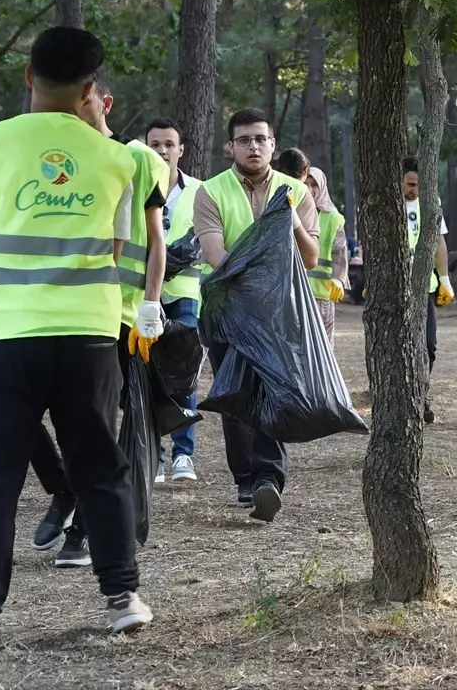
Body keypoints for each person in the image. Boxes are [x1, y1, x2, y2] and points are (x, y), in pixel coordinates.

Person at [0, 26, 153, 654]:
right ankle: (123, 598)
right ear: (90, 91)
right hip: (89, 337)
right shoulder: (118, 160)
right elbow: (115, 245)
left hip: (5, 334)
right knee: (101, 466)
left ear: (28, 76)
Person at [27, 73, 168, 568]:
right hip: (57, 309)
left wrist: (151, 304)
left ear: (103, 102)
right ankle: (64, 490)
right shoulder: (57, 161)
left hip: (118, 313)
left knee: (95, 425)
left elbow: (155, 241)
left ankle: (81, 533)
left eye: (82, 100)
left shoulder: (136, 158)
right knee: (24, 415)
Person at [194, 108, 319, 523]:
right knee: (234, 395)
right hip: (227, 311)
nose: (253, 146)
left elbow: (311, 256)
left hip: (279, 313)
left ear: (272, 145)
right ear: (230, 146)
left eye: (260, 139)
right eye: (244, 140)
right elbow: (215, 254)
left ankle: (268, 478)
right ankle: (245, 477)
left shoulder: (295, 192)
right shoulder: (211, 192)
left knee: (272, 388)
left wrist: (288, 218)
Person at [148, 116, 204, 483]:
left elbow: (208, 234)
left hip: (184, 292)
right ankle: (154, 453)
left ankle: (184, 454)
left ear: (181, 149)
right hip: (146, 292)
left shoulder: (200, 190)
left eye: (169, 144)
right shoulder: (135, 186)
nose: (163, 151)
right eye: (156, 145)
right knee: (148, 372)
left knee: (185, 373)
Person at [402, 157, 455, 423]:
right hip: (397, 290)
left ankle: (420, 394)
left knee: (428, 346)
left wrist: (444, 279)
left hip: (425, 289)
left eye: (419, 185)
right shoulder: (388, 204)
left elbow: (439, 243)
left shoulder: (431, 204)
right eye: (411, 184)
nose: (415, 190)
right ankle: (401, 398)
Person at [304, 167, 348, 341]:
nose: (309, 189)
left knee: (323, 347)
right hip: (296, 294)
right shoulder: (291, 213)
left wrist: (338, 279)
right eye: (305, 183)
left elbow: (340, 252)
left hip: (323, 295)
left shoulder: (333, 218)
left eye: (314, 185)